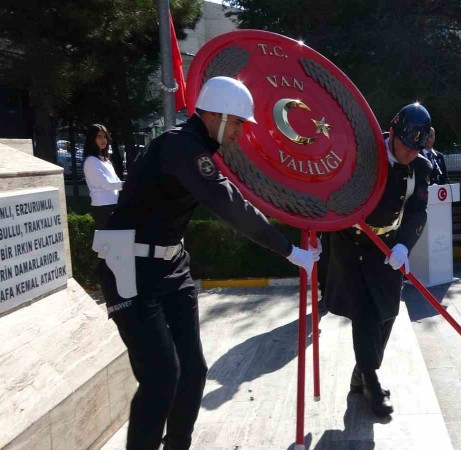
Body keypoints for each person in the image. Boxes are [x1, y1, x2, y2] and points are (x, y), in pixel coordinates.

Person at [94, 76, 321, 450]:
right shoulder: (180, 147)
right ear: (215, 115)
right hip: (129, 269)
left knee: (193, 371)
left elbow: (242, 194)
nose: (239, 133)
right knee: (160, 377)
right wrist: (290, 252)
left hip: (172, 266)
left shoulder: (197, 149)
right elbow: (230, 204)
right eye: (237, 123)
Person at [323, 103, 432, 417]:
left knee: (387, 312)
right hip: (353, 243)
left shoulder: (421, 167)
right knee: (365, 313)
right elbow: (331, 191)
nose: (410, 154)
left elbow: (417, 211)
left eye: (416, 149)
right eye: (405, 146)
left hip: (387, 246)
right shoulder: (362, 155)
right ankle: (371, 380)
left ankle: (361, 372)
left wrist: (405, 246)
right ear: (392, 133)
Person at [82, 124, 123, 229]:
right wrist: (129, 183)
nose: (103, 140)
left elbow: (116, 182)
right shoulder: (91, 161)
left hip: (113, 205)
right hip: (102, 208)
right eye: (99, 136)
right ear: (92, 139)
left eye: (105, 136)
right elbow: (107, 185)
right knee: (107, 239)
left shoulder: (105, 161)